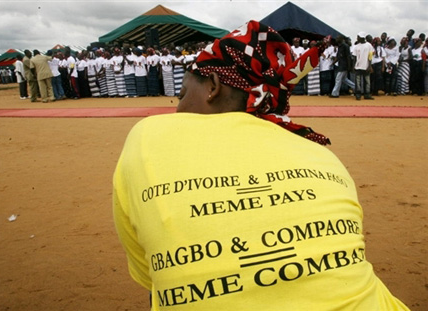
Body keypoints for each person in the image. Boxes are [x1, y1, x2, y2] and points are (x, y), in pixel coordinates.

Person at [113, 20, 410, 311]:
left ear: (213, 87)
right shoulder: (320, 153)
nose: (177, 107)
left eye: (182, 94)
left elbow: (150, 276)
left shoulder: (150, 137)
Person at [352, 32, 375, 100]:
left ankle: (367, 94)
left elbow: (370, 56)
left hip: (366, 66)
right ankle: (358, 94)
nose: (357, 38)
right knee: (358, 82)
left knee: (367, 81)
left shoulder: (369, 45)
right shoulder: (356, 46)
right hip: (358, 66)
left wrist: (369, 65)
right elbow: (354, 57)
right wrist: (353, 66)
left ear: (361, 38)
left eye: (358, 37)